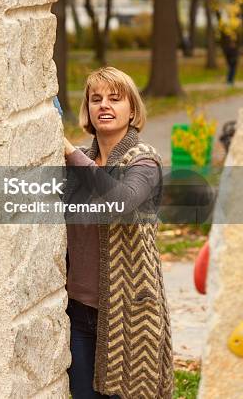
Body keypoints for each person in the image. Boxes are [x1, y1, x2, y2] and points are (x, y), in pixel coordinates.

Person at [63, 66, 173, 398]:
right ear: (88, 111)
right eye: (95, 99)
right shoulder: (79, 159)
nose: (104, 105)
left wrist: (69, 154)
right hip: (77, 311)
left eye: (115, 98)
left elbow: (120, 202)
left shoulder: (144, 161)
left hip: (130, 313)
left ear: (132, 109)